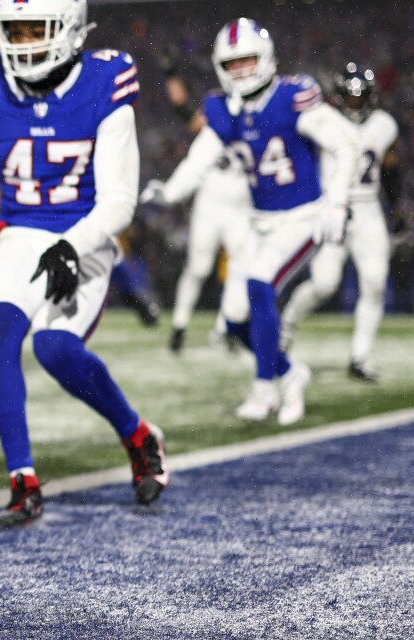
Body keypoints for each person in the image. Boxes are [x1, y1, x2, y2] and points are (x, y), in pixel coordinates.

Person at [0, 0, 169, 527]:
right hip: (20, 231)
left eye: (38, 29)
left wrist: (74, 245)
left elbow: (120, 199)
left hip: (86, 233)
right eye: (16, 30)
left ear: (71, 30)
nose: (26, 41)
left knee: (54, 350)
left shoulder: (105, 81)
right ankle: (22, 480)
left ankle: (138, 435)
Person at [142, 18, 357, 425]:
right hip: (259, 221)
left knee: (259, 282)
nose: (241, 71)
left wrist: (337, 202)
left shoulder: (291, 97)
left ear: (267, 59)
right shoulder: (222, 109)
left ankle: (264, 390)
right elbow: (198, 159)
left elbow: (345, 142)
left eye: (248, 61)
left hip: (302, 217)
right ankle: (290, 372)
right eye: (233, 63)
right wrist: (170, 191)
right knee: (235, 322)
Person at [279, 63, 400, 382]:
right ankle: (286, 326)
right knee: (324, 284)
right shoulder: (322, 120)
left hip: (368, 209)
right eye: (349, 97)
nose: (354, 104)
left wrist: (397, 210)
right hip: (333, 208)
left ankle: (359, 357)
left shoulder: (384, 125)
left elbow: (390, 167)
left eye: (359, 98)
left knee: (374, 284)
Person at [154, 43, 254, 354]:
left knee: (243, 268)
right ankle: (180, 326)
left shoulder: (263, 109)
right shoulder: (216, 106)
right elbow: (185, 112)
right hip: (211, 202)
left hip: (243, 206)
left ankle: (228, 327)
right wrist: (171, 74)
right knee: (198, 267)